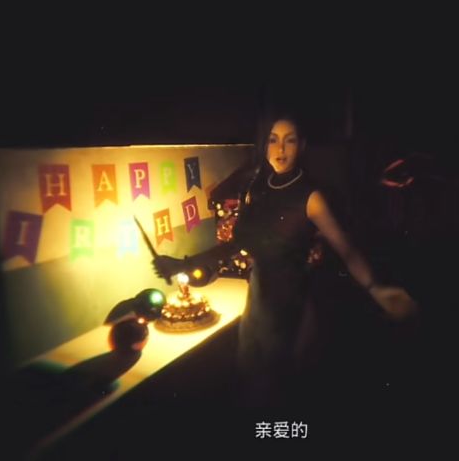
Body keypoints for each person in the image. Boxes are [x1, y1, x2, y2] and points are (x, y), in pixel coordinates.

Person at [153, 117, 417, 406]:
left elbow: (347, 249)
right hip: (257, 303)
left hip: (294, 307)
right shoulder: (256, 187)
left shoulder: (310, 196)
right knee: (252, 384)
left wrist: (375, 288)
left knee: (281, 392)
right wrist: (182, 264)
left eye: (289, 140)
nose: (280, 148)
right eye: (273, 139)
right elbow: (236, 245)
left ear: (301, 146)